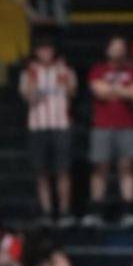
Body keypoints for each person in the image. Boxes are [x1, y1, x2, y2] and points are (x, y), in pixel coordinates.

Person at [84, 36, 133, 227]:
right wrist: (122, 90)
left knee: (127, 167)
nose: (118, 51)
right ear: (107, 49)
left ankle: (128, 211)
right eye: (114, 47)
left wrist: (112, 90)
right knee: (99, 168)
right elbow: (99, 92)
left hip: (126, 125)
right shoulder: (98, 70)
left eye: (121, 47)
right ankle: (96, 211)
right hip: (102, 125)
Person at [19, 39, 76, 227]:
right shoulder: (29, 72)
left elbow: (72, 92)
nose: (46, 52)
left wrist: (64, 76)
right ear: (36, 52)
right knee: (41, 172)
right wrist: (33, 80)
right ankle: (46, 211)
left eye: (49, 48)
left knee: (63, 171)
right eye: (42, 49)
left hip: (61, 124)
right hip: (38, 126)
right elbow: (28, 97)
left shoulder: (65, 70)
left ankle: (65, 211)